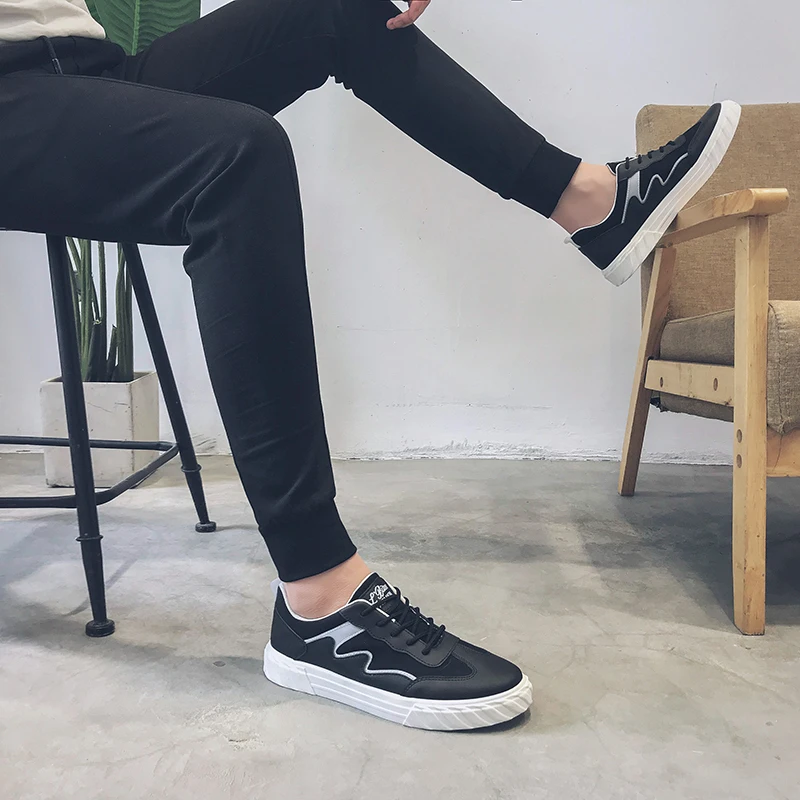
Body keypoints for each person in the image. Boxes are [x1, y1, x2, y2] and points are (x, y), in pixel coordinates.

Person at [0, 0, 740, 731]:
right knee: (235, 156)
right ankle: (318, 598)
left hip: (82, 66)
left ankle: (592, 201)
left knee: (340, 9)